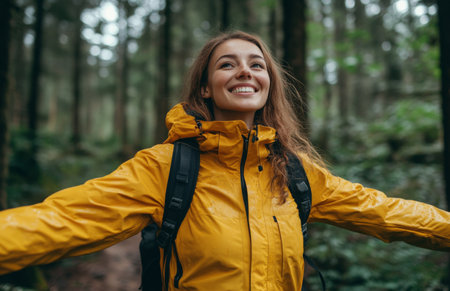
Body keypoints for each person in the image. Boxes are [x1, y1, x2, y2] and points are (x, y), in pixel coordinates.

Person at [0, 31, 449, 290]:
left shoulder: (293, 171)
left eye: (257, 65)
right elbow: (61, 221)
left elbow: (385, 211)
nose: (245, 71)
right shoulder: (163, 167)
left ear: (268, 83)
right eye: (227, 64)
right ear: (204, 88)